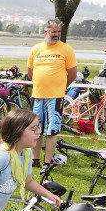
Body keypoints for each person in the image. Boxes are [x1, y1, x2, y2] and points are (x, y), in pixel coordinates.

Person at [26, 18, 77, 167]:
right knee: (36, 129)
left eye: (59, 32)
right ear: (46, 32)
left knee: (52, 131)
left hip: (55, 97)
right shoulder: (36, 49)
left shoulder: (66, 49)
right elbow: (30, 73)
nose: (56, 34)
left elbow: (72, 74)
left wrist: (61, 87)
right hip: (38, 96)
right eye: (54, 31)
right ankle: (35, 160)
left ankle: (47, 162)